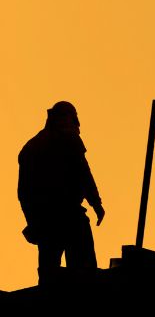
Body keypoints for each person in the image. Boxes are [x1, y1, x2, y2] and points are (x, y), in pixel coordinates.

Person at [18, 101, 105, 282]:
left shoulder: (30, 148)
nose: (75, 124)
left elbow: (23, 193)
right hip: (68, 216)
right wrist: (96, 203)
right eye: (72, 118)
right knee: (84, 271)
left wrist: (33, 221)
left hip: (44, 220)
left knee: (49, 272)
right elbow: (84, 173)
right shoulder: (69, 139)